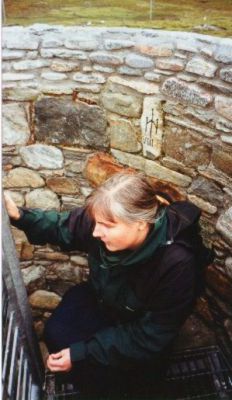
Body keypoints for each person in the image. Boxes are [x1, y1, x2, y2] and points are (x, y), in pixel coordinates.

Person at [4, 172, 214, 398]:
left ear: (140, 224)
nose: (95, 232)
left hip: (141, 328)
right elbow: (63, 226)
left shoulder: (177, 264)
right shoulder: (103, 219)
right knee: (57, 332)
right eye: (96, 223)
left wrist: (81, 354)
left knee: (122, 377)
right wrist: (20, 216)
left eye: (106, 226)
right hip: (106, 299)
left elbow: (150, 335)